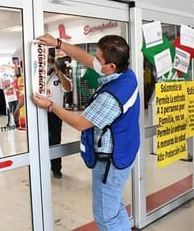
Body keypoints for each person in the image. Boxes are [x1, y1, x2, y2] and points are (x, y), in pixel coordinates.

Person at [33, 34, 140, 230]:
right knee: (114, 208)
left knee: (106, 218)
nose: (94, 62)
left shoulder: (111, 96)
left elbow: (80, 123)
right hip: (125, 153)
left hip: (111, 163)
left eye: (99, 60)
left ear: (111, 67)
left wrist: (51, 106)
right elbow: (86, 59)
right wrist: (58, 44)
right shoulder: (127, 75)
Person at [45, 48, 73, 179]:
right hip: (40, 113)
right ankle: (42, 166)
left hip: (55, 113)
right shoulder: (39, 78)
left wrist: (58, 72)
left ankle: (56, 168)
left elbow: (68, 87)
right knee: (41, 141)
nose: (48, 64)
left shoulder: (60, 76)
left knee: (55, 140)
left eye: (50, 61)